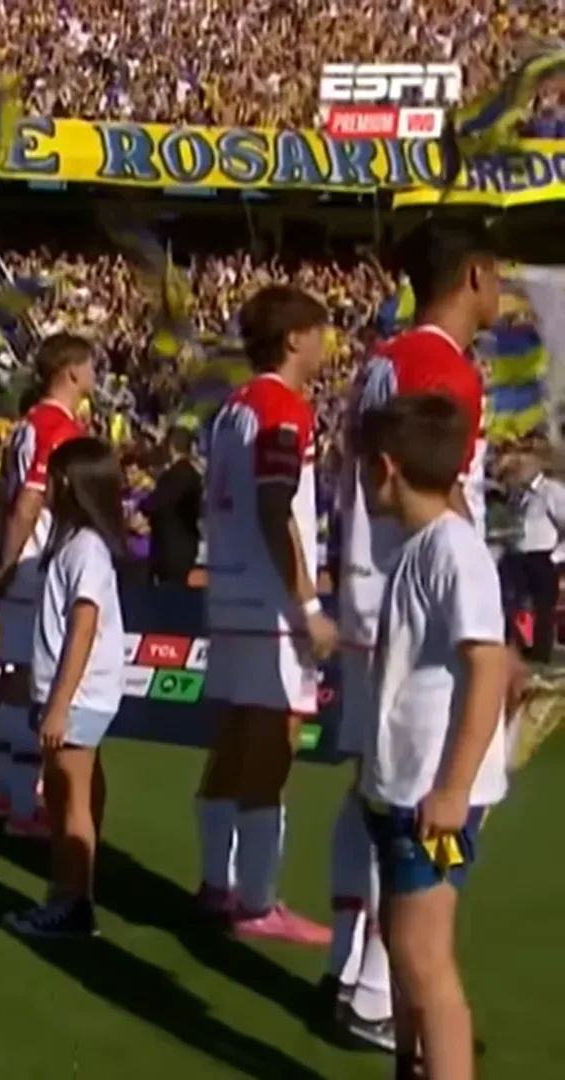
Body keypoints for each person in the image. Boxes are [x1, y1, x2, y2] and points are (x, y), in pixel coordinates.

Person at [330, 219, 498, 1047]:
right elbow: (452, 505)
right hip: (418, 606)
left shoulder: (385, 359)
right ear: (473, 275)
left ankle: (364, 977)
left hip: (383, 592)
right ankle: (374, 992)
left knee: (386, 791)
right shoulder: (441, 372)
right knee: (412, 806)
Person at [357, 392, 512, 1080]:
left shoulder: (454, 550)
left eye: (363, 469)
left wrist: (452, 788)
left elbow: (488, 664)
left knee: (424, 957)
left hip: (433, 798)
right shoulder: (425, 547)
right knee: (402, 944)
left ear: (386, 468)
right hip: (402, 788)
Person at [198, 284, 335, 945]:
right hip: (270, 603)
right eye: (321, 332)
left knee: (232, 741)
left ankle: (216, 884)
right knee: (272, 746)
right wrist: (309, 602)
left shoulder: (231, 410)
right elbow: (274, 506)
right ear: (294, 339)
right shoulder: (283, 408)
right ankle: (256, 901)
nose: (327, 345)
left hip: (228, 593)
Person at [5, 437, 127, 939]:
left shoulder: (86, 549)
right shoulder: (73, 543)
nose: (45, 486)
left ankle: (71, 903)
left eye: (54, 477)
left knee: (67, 797)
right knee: (75, 794)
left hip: (75, 696)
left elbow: (83, 625)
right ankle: (73, 896)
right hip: (73, 693)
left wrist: (58, 705)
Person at [0, 334, 94, 837]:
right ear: (71, 371)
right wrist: (9, 564)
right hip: (40, 570)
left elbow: (0, 500)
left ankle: (6, 789)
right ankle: (24, 805)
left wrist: (0, 560)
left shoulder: (23, 427)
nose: (95, 377)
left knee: (14, 679)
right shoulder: (55, 426)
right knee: (36, 684)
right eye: (91, 367)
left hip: (22, 568)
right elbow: (29, 504)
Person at [499, 444, 564, 663]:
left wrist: (555, 557)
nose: (518, 463)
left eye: (524, 457)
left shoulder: (551, 491)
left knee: (542, 610)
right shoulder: (517, 495)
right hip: (516, 558)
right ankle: (515, 651)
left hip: (542, 558)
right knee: (512, 606)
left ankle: (540, 655)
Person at [143, 426, 203, 587]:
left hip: (171, 548)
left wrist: (145, 502)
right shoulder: (193, 475)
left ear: (170, 446)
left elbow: (153, 504)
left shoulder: (174, 476)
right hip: (186, 545)